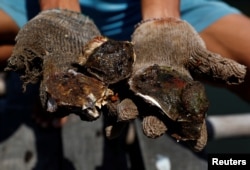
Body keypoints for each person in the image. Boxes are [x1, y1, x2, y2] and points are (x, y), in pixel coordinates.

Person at [0, 0, 250, 134]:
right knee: (55, 37)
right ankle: (47, 69)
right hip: (35, 5)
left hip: (156, 6)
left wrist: (162, 22)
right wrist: (61, 14)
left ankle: (41, 64)